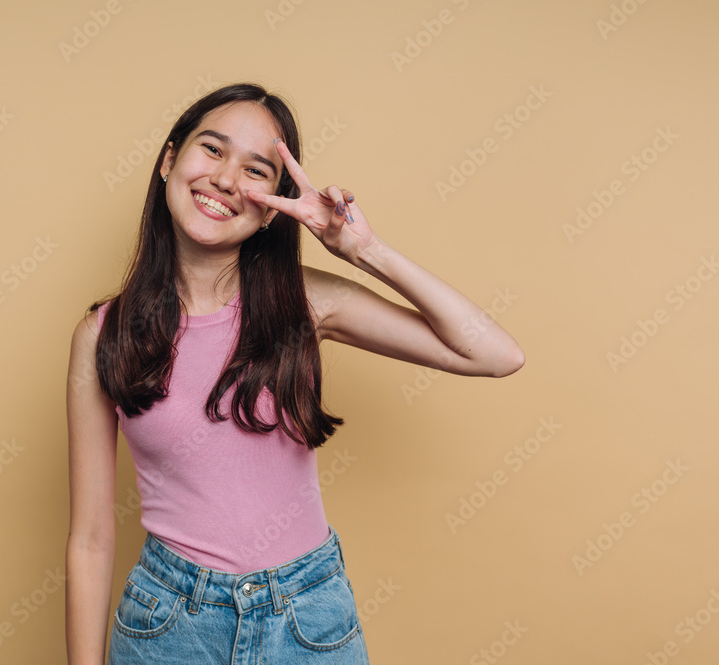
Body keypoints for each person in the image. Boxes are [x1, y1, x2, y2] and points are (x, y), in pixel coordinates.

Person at [65, 82, 525, 664]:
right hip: (169, 625)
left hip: (306, 619)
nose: (226, 179)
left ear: (271, 209)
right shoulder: (102, 335)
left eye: (256, 171)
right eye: (212, 149)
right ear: (169, 160)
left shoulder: (306, 303)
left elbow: (495, 354)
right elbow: (91, 540)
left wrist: (364, 250)